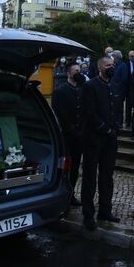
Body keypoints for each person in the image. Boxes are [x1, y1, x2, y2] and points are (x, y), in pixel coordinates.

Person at [81, 57, 122, 228]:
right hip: (94, 138)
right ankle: (88, 214)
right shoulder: (90, 86)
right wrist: (104, 128)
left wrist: (116, 127)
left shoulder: (114, 85)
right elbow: (89, 113)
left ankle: (105, 210)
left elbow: (117, 108)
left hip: (110, 139)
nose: (111, 68)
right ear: (99, 68)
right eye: (107, 65)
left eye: (112, 65)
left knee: (107, 176)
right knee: (90, 176)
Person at [52, 62, 87, 206]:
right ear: (68, 73)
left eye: (79, 70)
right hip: (67, 135)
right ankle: (60, 193)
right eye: (75, 71)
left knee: (75, 167)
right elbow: (60, 112)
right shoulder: (60, 91)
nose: (78, 73)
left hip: (79, 135)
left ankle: (71, 194)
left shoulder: (82, 89)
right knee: (65, 166)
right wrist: (71, 128)